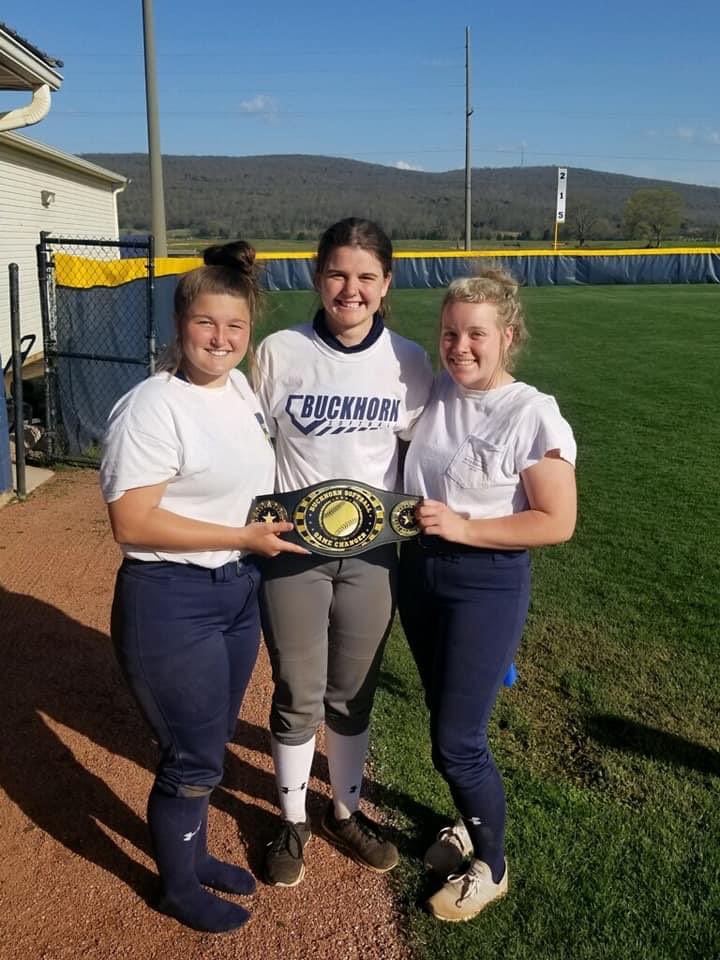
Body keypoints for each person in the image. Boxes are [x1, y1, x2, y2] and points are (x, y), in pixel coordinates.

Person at [100, 242, 307, 934]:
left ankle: (192, 857)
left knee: (211, 740)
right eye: (206, 324)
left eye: (236, 328)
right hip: (171, 600)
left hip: (236, 593)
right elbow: (130, 520)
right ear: (180, 323)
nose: (221, 339)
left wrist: (261, 526)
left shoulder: (241, 390)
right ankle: (177, 888)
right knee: (189, 758)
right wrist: (242, 538)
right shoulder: (152, 407)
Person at [253, 218, 433, 887]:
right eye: (337, 273)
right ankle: (293, 819)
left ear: (386, 284)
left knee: (352, 693)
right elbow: (253, 445)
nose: (349, 289)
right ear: (316, 275)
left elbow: (422, 454)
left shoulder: (409, 360)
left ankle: (344, 811)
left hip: (373, 554)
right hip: (294, 550)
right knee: (298, 692)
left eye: (365, 277)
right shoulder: (279, 351)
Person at [398, 269, 577, 922]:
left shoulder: (531, 410)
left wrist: (466, 527)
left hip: (486, 582)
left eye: (476, 334)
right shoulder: (433, 394)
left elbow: (556, 520)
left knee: (455, 741)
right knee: (451, 722)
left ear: (506, 335)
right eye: (450, 333)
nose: (460, 346)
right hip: (416, 574)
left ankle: (492, 865)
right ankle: (468, 823)